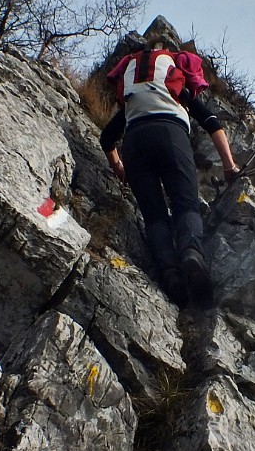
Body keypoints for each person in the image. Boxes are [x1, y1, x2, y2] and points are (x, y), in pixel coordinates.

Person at [100, 38, 239, 304]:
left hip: (134, 141)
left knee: (154, 217)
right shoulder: (176, 88)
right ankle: (190, 253)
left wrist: (119, 167)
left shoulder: (132, 98)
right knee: (186, 205)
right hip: (171, 134)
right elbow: (212, 123)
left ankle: (170, 273)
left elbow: (107, 139)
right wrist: (230, 166)